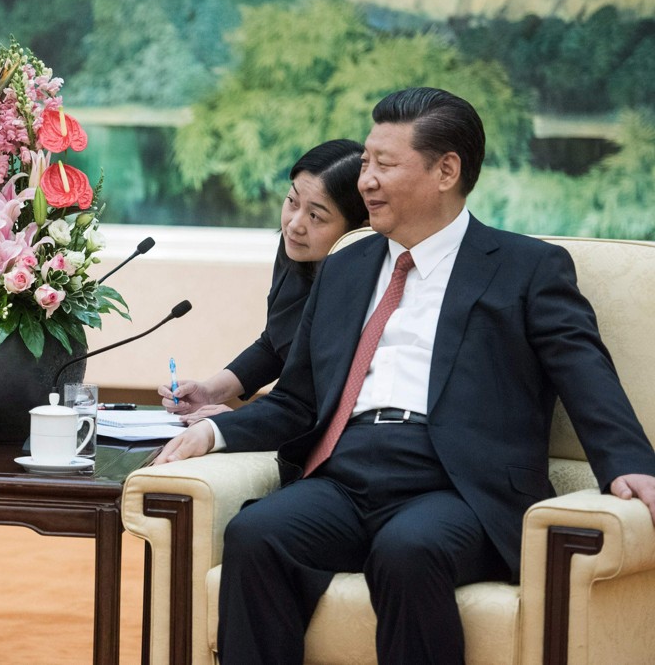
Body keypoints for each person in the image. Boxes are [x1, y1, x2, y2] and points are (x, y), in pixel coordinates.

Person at [153, 87, 655, 664]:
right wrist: (212, 432)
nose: (366, 179)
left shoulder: (526, 268)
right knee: (258, 533)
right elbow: (297, 401)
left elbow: (584, 370)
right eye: (367, 161)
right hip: (345, 473)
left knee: (408, 548)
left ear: (446, 171)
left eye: (384, 165)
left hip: (457, 484)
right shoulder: (344, 267)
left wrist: (631, 464)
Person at [160, 139, 367, 423]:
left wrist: (236, 422)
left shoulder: (362, 287)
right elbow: (276, 343)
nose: (294, 224)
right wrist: (209, 391)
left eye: (315, 215)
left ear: (358, 227)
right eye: (292, 201)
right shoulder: (295, 247)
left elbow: (310, 401)